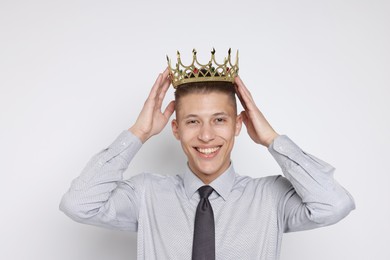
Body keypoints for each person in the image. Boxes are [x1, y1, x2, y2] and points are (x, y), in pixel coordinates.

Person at [60, 50, 355, 260]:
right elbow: (78, 204)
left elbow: (335, 205)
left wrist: (272, 139)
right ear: (175, 129)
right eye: (192, 121)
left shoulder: (270, 197)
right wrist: (139, 133)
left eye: (219, 119)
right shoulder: (146, 194)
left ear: (239, 124)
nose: (205, 135)